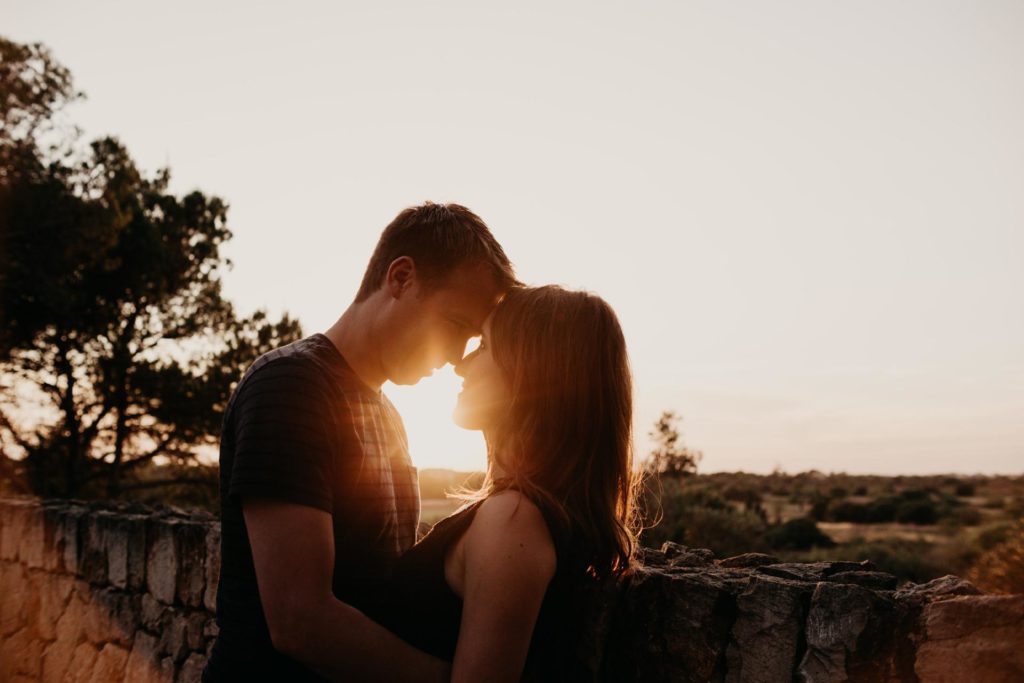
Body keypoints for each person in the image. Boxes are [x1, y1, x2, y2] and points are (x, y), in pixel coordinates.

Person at [202, 202, 518, 682]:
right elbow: (299, 619)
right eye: (456, 325)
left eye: (472, 339)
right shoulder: (290, 386)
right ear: (401, 278)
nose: (457, 357)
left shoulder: (387, 415)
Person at [366, 285, 641, 681]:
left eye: (483, 346)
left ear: (529, 371)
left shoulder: (512, 520)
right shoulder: (518, 513)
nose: (461, 364)